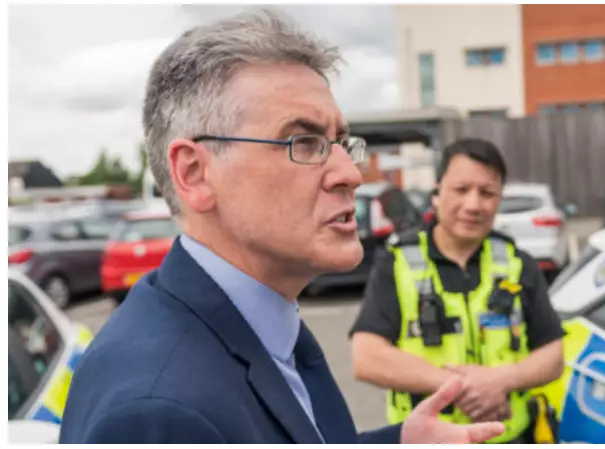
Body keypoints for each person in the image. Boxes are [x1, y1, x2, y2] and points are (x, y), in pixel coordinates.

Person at [58, 9, 505, 445]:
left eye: (340, 142)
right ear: (194, 174)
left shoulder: (248, 322)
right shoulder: (157, 416)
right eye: (303, 142)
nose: (349, 173)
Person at [349, 139, 566, 444]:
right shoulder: (397, 264)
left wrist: (502, 380)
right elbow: (367, 357)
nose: (473, 205)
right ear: (438, 192)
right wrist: (462, 387)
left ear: (499, 198)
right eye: (461, 189)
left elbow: (553, 355)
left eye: (487, 193)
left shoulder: (519, 265)